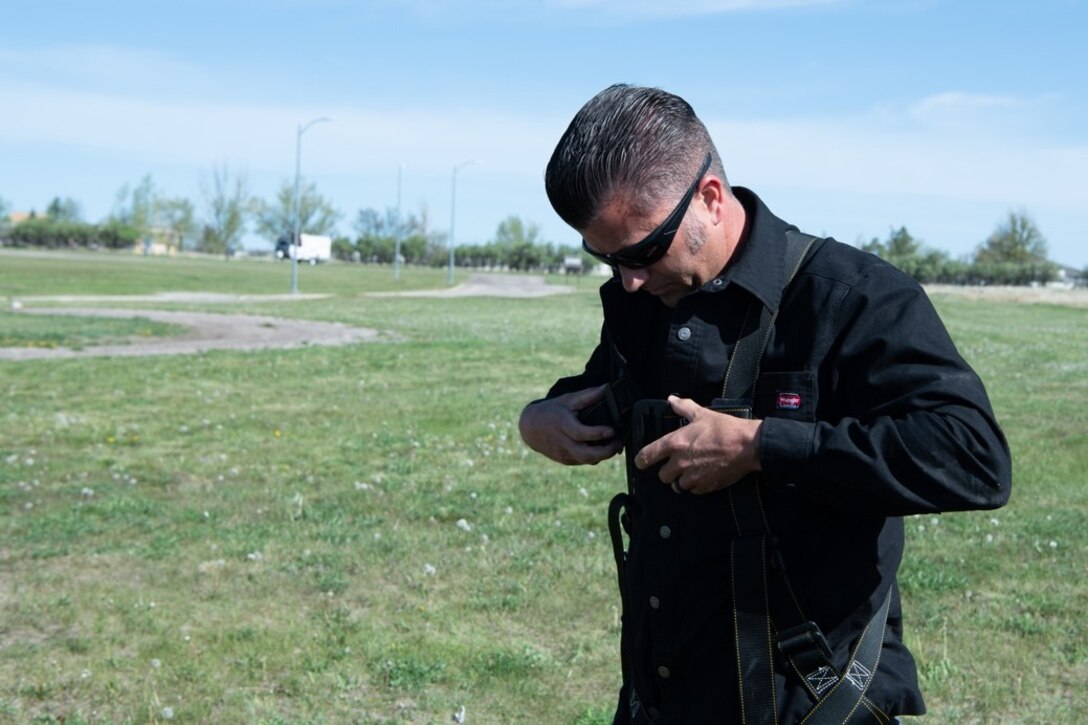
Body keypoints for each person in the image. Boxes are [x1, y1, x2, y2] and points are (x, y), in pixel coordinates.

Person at [518, 84, 1012, 724]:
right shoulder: (643, 297)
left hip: (810, 701)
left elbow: (973, 457)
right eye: (605, 258)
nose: (628, 280)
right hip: (661, 691)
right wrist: (541, 418)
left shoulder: (851, 297)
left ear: (711, 199)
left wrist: (758, 446)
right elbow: (608, 391)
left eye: (641, 252)